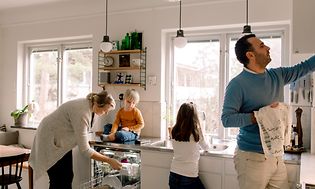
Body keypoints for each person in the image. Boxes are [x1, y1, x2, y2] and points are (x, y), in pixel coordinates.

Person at [221, 33, 315, 189]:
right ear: (250, 55)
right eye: (262, 46)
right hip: (252, 158)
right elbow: (227, 119)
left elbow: (304, 67)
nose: (268, 48)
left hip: (276, 155)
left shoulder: (277, 75)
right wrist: (259, 116)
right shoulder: (237, 84)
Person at [29, 91, 122, 189]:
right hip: (49, 139)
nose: (106, 113)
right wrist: (109, 160)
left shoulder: (91, 107)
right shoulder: (83, 112)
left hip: (61, 141)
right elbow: (85, 150)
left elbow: (82, 131)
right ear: (99, 104)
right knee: (58, 179)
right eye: (105, 110)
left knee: (68, 176)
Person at [168, 102, 210, 189]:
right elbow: (206, 147)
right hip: (189, 176)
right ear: (194, 116)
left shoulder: (173, 130)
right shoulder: (196, 131)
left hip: (173, 174)